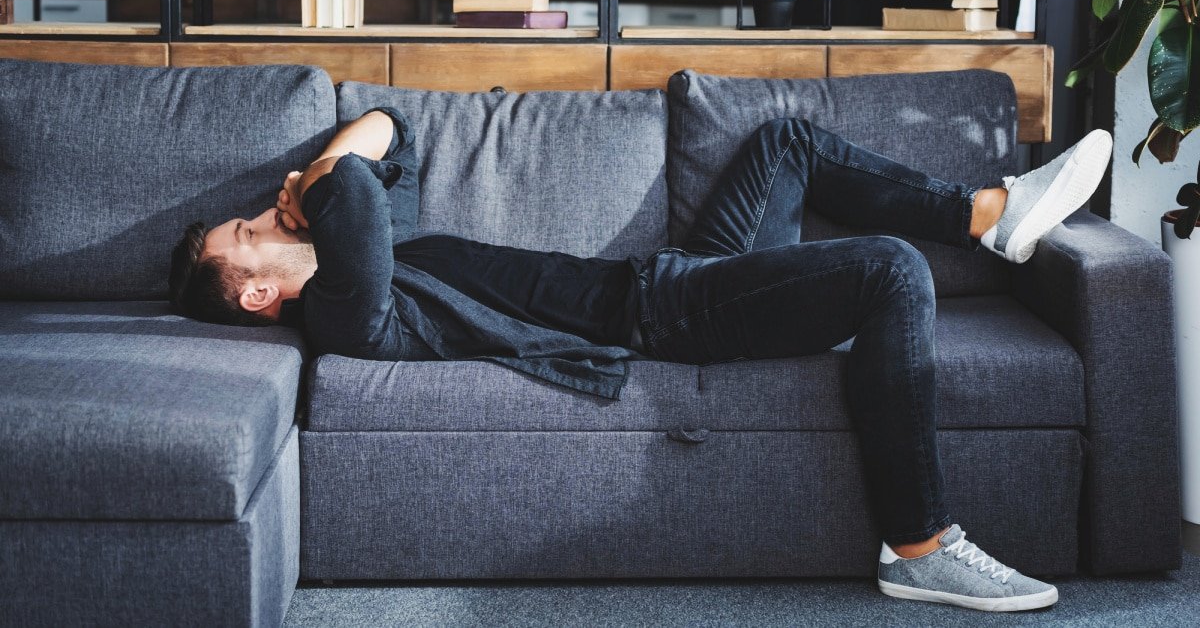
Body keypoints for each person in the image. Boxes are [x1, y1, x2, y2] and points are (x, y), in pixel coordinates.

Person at [169, 107, 1112, 613]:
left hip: (669, 274)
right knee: (894, 275)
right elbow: (361, 205)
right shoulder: (346, 309)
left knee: (784, 139)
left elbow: (389, 132)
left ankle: (990, 215)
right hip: (665, 315)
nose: (267, 211)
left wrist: (332, 159)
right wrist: (322, 182)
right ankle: (921, 546)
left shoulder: (376, 255)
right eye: (249, 231)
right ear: (257, 293)